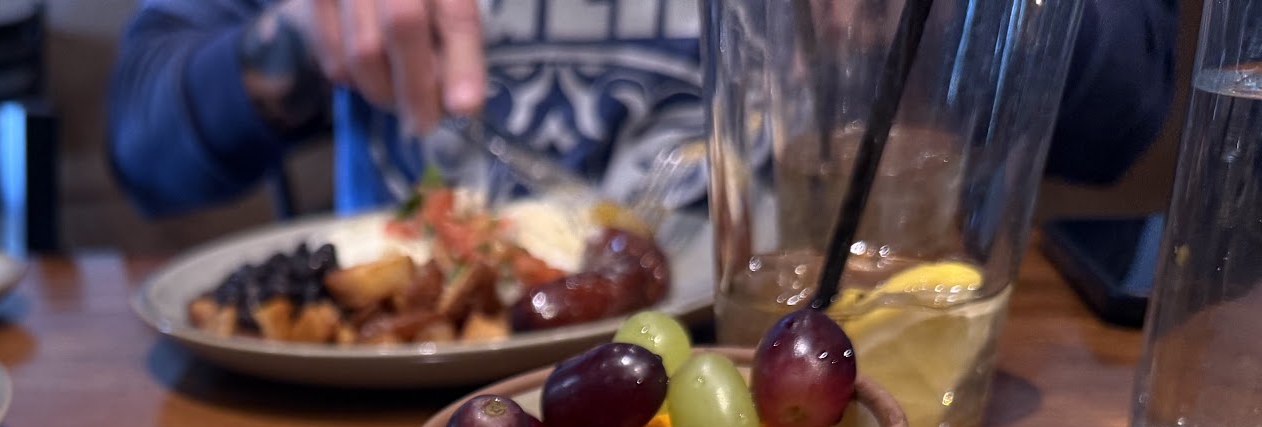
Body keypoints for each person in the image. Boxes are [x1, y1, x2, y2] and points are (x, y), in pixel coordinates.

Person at [106, 0, 1177, 219]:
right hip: (402, 422)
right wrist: (296, 37)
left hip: (779, 377)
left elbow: (1122, 111)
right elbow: (145, 148)